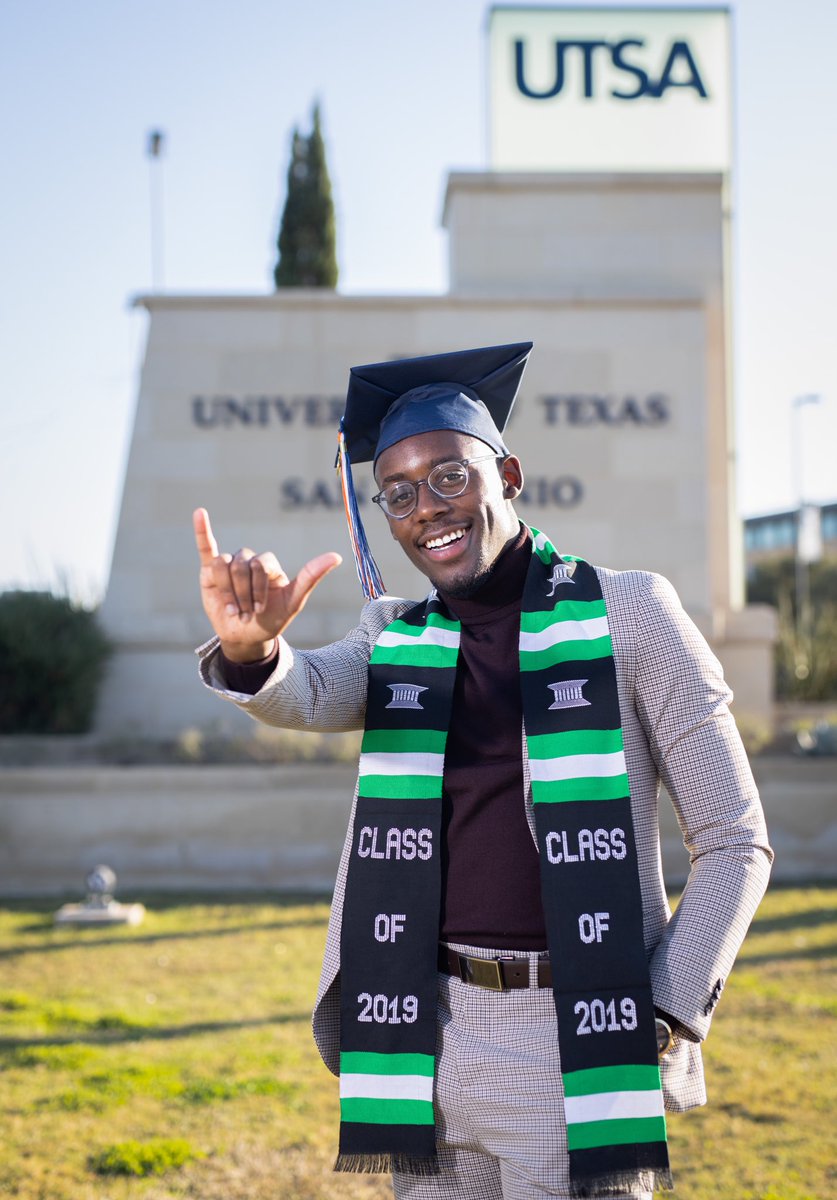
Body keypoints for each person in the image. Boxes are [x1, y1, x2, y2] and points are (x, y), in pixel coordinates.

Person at [193, 343, 772, 1200]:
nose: (428, 507)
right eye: (399, 493)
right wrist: (253, 651)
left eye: (450, 477)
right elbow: (307, 692)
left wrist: (661, 1008)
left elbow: (734, 838)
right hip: (424, 1028)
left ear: (506, 474)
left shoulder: (631, 614)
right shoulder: (397, 635)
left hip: (576, 1026)